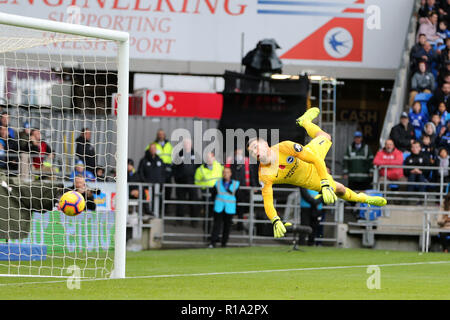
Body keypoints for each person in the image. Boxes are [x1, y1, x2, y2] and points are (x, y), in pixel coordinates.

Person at [247, 107, 387, 239]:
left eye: (255, 146)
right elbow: (268, 202)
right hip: (309, 181)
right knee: (340, 189)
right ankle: (365, 199)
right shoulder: (264, 175)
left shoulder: (285, 147)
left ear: (265, 144)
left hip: (312, 158)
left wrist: (325, 184)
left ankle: (305, 122)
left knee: (325, 136)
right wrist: (275, 220)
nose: (254, 151)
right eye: (251, 152)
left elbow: (316, 159)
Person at [225, 147, 259, 230]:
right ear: (235, 151)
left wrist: (254, 186)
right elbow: (225, 173)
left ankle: (240, 225)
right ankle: (229, 224)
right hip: (232, 188)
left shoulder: (247, 161)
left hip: (244, 189)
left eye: (240, 150)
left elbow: (252, 175)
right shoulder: (230, 161)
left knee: (242, 208)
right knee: (231, 207)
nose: (238, 152)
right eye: (237, 150)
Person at [172, 138, 201, 226]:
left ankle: (194, 221)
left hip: (192, 182)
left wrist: (197, 179)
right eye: (185, 144)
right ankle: (179, 220)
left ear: (191, 144)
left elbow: (200, 167)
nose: (187, 145)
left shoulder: (195, 155)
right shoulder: (179, 155)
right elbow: (174, 168)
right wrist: (177, 178)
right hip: (181, 182)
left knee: (193, 202)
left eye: (188, 144)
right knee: (180, 202)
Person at [209, 167, 240, 248]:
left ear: (230, 174)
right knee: (216, 226)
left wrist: (237, 210)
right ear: (222, 174)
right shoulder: (218, 183)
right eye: (224, 172)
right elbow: (213, 195)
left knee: (227, 227)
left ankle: (224, 243)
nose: (226, 174)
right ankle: (213, 242)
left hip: (229, 208)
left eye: (227, 172)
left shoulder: (235, 184)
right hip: (219, 207)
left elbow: (238, 197)